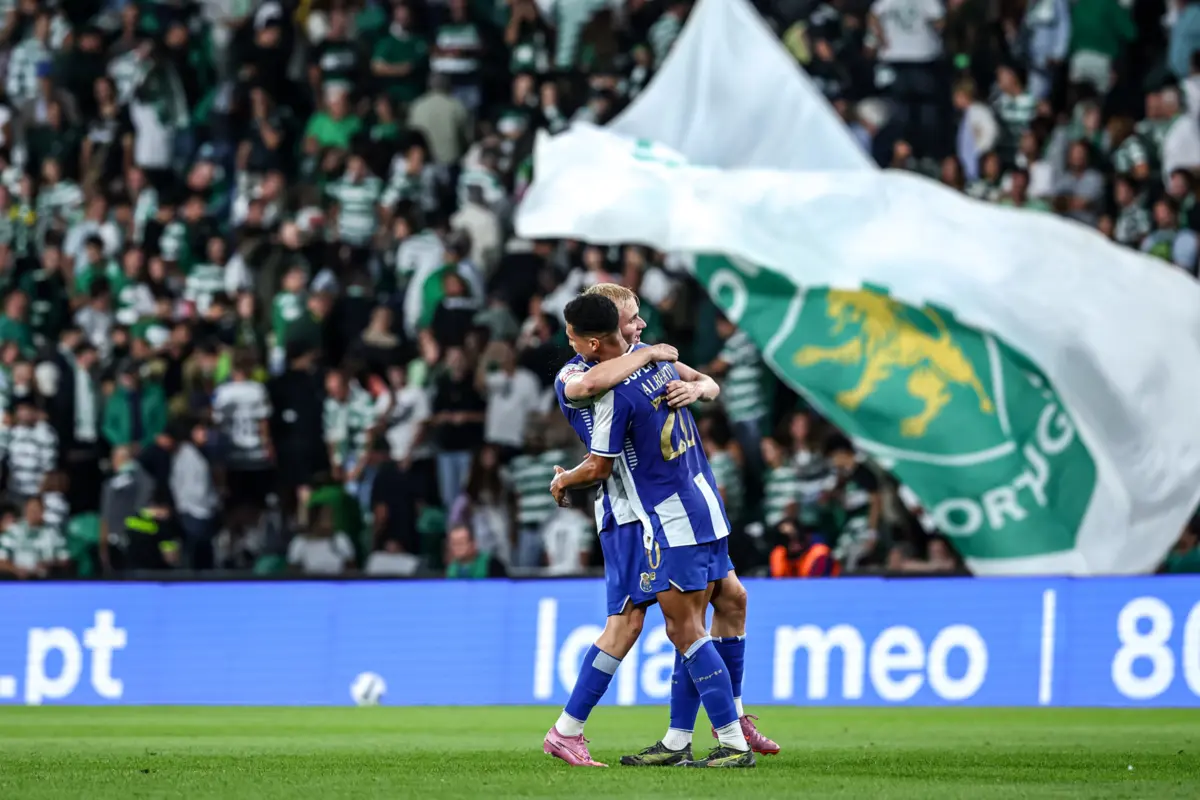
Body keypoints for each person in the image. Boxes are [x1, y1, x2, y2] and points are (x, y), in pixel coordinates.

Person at [548, 293, 752, 768]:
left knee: (682, 622)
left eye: (639, 320)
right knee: (646, 622)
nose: (642, 326)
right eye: (632, 320)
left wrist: (700, 387)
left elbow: (600, 464)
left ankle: (716, 735)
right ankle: (683, 736)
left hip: (662, 512)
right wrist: (650, 354)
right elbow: (592, 387)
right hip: (640, 513)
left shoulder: (633, 383)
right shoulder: (602, 375)